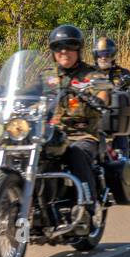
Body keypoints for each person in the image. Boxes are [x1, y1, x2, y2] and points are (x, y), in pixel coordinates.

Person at [47, 25, 105, 223]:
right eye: (58, 47)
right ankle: (3, 205)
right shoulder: (47, 76)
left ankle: (88, 204)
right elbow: (27, 91)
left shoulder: (92, 74)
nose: (64, 51)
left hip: (81, 134)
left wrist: (100, 99)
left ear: (78, 50)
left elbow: (103, 90)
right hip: (49, 133)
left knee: (75, 153)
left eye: (69, 46)